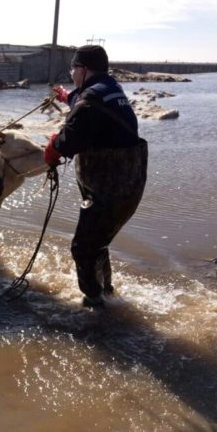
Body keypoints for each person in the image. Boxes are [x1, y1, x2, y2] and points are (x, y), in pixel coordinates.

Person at [44, 45, 148, 308]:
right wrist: (66, 96)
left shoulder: (89, 101)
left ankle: (96, 308)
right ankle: (107, 294)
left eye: (73, 69)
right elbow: (88, 103)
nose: (71, 73)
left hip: (108, 191)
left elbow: (69, 142)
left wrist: (53, 144)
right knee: (98, 243)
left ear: (83, 69)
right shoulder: (110, 88)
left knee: (83, 248)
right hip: (128, 187)